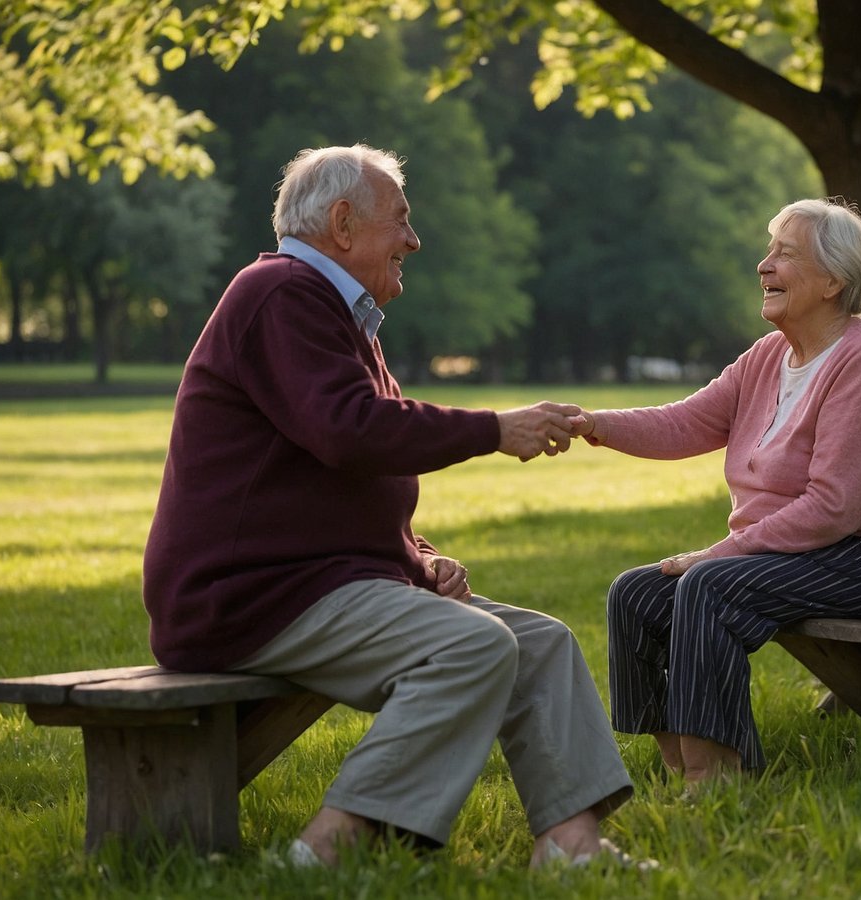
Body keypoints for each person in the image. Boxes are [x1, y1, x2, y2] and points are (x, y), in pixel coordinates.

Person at [142, 144, 644, 869]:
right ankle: (327, 853)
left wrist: (422, 560)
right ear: (342, 225)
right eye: (401, 222)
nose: (414, 240)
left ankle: (573, 848)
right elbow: (350, 433)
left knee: (542, 642)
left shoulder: (332, 311)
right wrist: (494, 430)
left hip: (313, 582)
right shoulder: (281, 295)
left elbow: (342, 484)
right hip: (248, 597)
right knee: (470, 645)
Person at [569, 198, 861, 784]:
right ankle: (682, 764)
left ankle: (719, 779)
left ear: (833, 281)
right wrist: (592, 423)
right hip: (807, 550)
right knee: (635, 595)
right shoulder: (771, 355)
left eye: (784, 255)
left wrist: (717, 555)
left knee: (709, 585)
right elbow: (685, 422)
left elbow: (833, 508)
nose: (764, 266)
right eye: (769, 252)